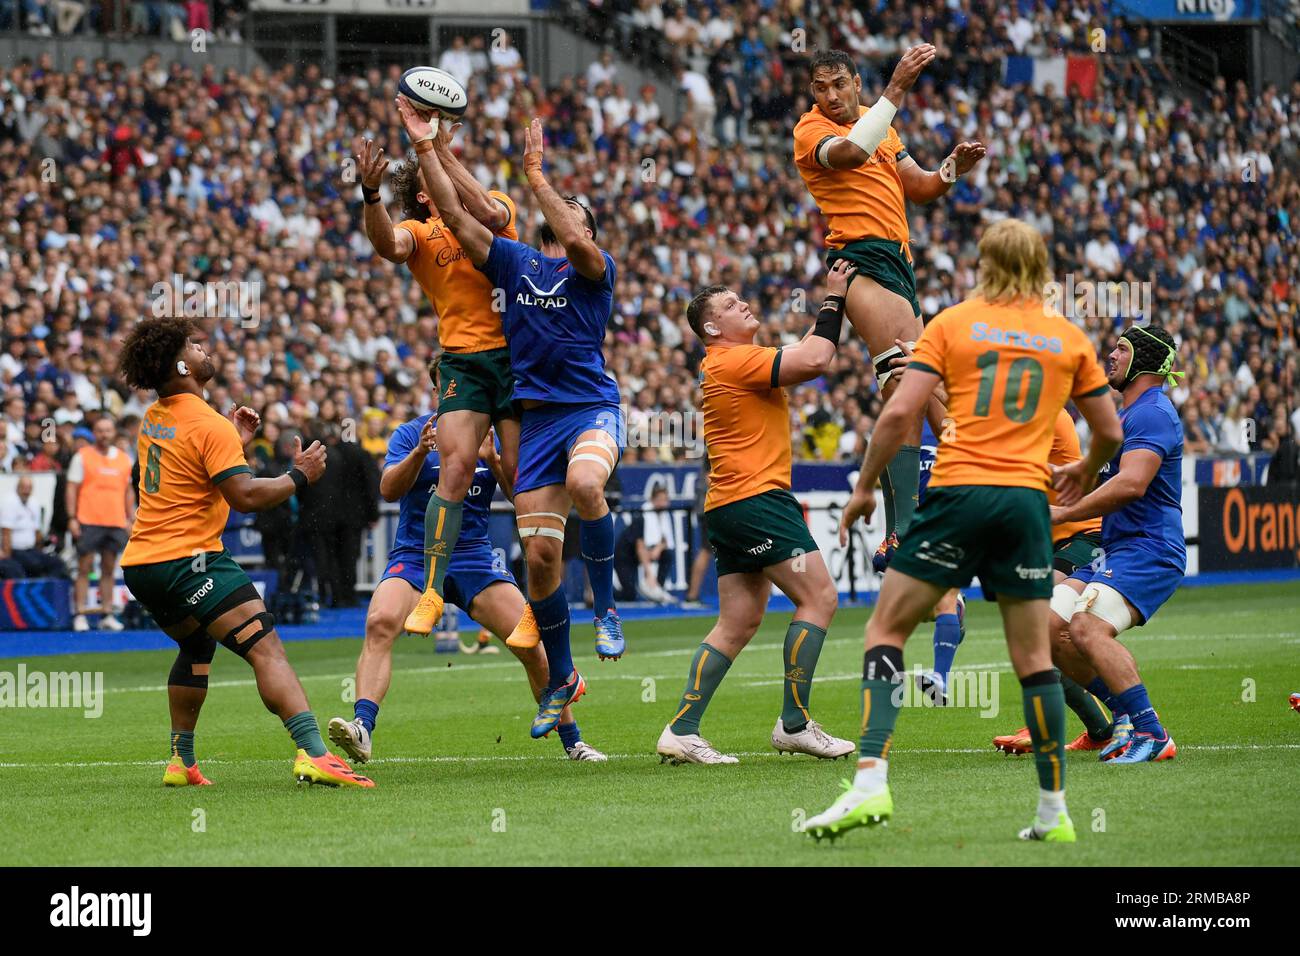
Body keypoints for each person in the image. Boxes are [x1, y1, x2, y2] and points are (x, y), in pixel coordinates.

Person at [803, 219, 1123, 843]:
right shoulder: (1067, 338)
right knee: (1033, 657)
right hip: (1027, 507)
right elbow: (1108, 431)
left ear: (985, 262)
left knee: (886, 628)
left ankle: (870, 784)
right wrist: (1082, 469)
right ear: (1039, 264)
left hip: (960, 495)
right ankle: (1053, 810)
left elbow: (900, 411)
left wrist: (866, 486)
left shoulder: (952, 322)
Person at [398, 102, 626, 740]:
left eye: (573, 207)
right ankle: (562, 677)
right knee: (540, 553)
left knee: (586, 488)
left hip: (589, 408)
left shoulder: (593, 269)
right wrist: (425, 148)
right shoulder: (516, 262)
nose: (566, 213)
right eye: (561, 206)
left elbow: (576, 238)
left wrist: (536, 176)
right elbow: (452, 215)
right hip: (539, 416)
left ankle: (606, 610)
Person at [117, 316, 372, 789]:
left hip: (142, 564)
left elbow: (191, 468)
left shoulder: (155, 418)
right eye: (193, 345)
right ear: (179, 364)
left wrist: (234, 438)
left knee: (195, 646)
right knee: (266, 648)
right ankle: (315, 754)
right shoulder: (206, 423)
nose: (201, 349)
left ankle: (181, 762)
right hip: (188, 561)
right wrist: (299, 475)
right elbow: (245, 496)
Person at [328, 361, 606, 764]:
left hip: (475, 557)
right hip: (416, 555)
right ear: (438, 387)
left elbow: (520, 496)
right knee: (379, 622)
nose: (456, 390)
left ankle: (573, 741)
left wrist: (494, 460)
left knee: (530, 644)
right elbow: (388, 489)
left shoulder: (498, 434)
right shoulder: (413, 432)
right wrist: (420, 453)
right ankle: (362, 728)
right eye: (448, 384)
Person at [655, 259, 860, 766]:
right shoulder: (732, 360)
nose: (742, 304)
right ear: (711, 328)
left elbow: (807, 351)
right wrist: (835, 298)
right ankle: (794, 723)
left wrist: (831, 306)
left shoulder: (728, 363)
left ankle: (682, 729)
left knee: (737, 621)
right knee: (819, 597)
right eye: (729, 305)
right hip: (758, 501)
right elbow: (815, 360)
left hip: (730, 505)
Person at [793, 47, 985, 571]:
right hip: (859, 257)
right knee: (908, 380)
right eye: (820, 87)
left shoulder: (883, 129)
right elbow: (853, 154)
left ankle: (941, 509)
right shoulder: (810, 133)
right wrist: (896, 88)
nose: (829, 96)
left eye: (838, 85)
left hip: (898, 263)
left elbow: (920, 188)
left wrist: (952, 168)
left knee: (918, 387)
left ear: (855, 82)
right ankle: (904, 529)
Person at [353, 119, 522, 641]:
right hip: (464, 362)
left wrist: (438, 148)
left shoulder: (494, 209)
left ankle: (548, 605)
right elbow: (388, 246)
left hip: (515, 360)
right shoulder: (423, 234)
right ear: (425, 195)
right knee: (454, 466)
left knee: (520, 475)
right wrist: (369, 194)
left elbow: (490, 212)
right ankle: (430, 588)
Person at [1045, 325, 1187, 766]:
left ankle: (1151, 731)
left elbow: (1132, 483)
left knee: (1086, 628)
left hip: (1150, 548)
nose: (1110, 355)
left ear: (1144, 361)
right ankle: (1128, 713)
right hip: (1117, 548)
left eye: (1121, 349)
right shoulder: (1129, 415)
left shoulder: (1152, 413)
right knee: (1046, 627)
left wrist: (1065, 513)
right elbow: (1103, 476)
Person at [66, 413, 134, 631]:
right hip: (88, 519)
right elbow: (71, 489)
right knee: (84, 568)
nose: (104, 435)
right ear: (94, 433)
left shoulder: (124, 458)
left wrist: (129, 517)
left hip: (115, 521)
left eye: (108, 430)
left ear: (114, 433)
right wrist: (72, 518)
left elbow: (128, 491)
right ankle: (80, 614)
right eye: (100, 431)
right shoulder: (82, 456)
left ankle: (106, 613)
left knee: (108, 568)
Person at [0, 474, 68, 579]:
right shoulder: (10, 502)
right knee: (29, 564)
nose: (26, 491)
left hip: (31, 550)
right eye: (24, 488)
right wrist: (7, 557)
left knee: (57, 563)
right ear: (18, 487)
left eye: (29, 488)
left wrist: (39, 552)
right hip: (15, 551)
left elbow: (37, 532)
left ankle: (47, 589)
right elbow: (6, 532)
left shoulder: (34, 503)